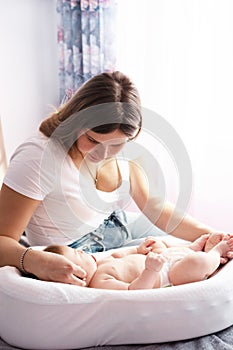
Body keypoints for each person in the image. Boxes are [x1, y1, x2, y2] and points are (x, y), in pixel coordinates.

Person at [0, 71, 231, 286]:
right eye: (92, 141)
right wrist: (36, 261)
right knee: (173, 267)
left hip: (115, 225)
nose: (102, 155)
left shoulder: (124, 143)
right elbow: (3, 238)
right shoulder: (38, 157)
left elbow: (155, 206)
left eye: (117, 145)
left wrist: (212, 234)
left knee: (189, 249)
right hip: (79, 251)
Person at [43, 234, 233, 290]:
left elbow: (124, 254)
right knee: (195, 262)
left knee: (160, 243)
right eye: (78, 255)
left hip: (161, 260)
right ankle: (216, 253)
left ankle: (192, 247)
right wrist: (150, 271)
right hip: (165, 275)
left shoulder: (101, 263)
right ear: (76, 276)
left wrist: (138, 250)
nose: (82, 252)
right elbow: (133, 293)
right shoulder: (100, 282)